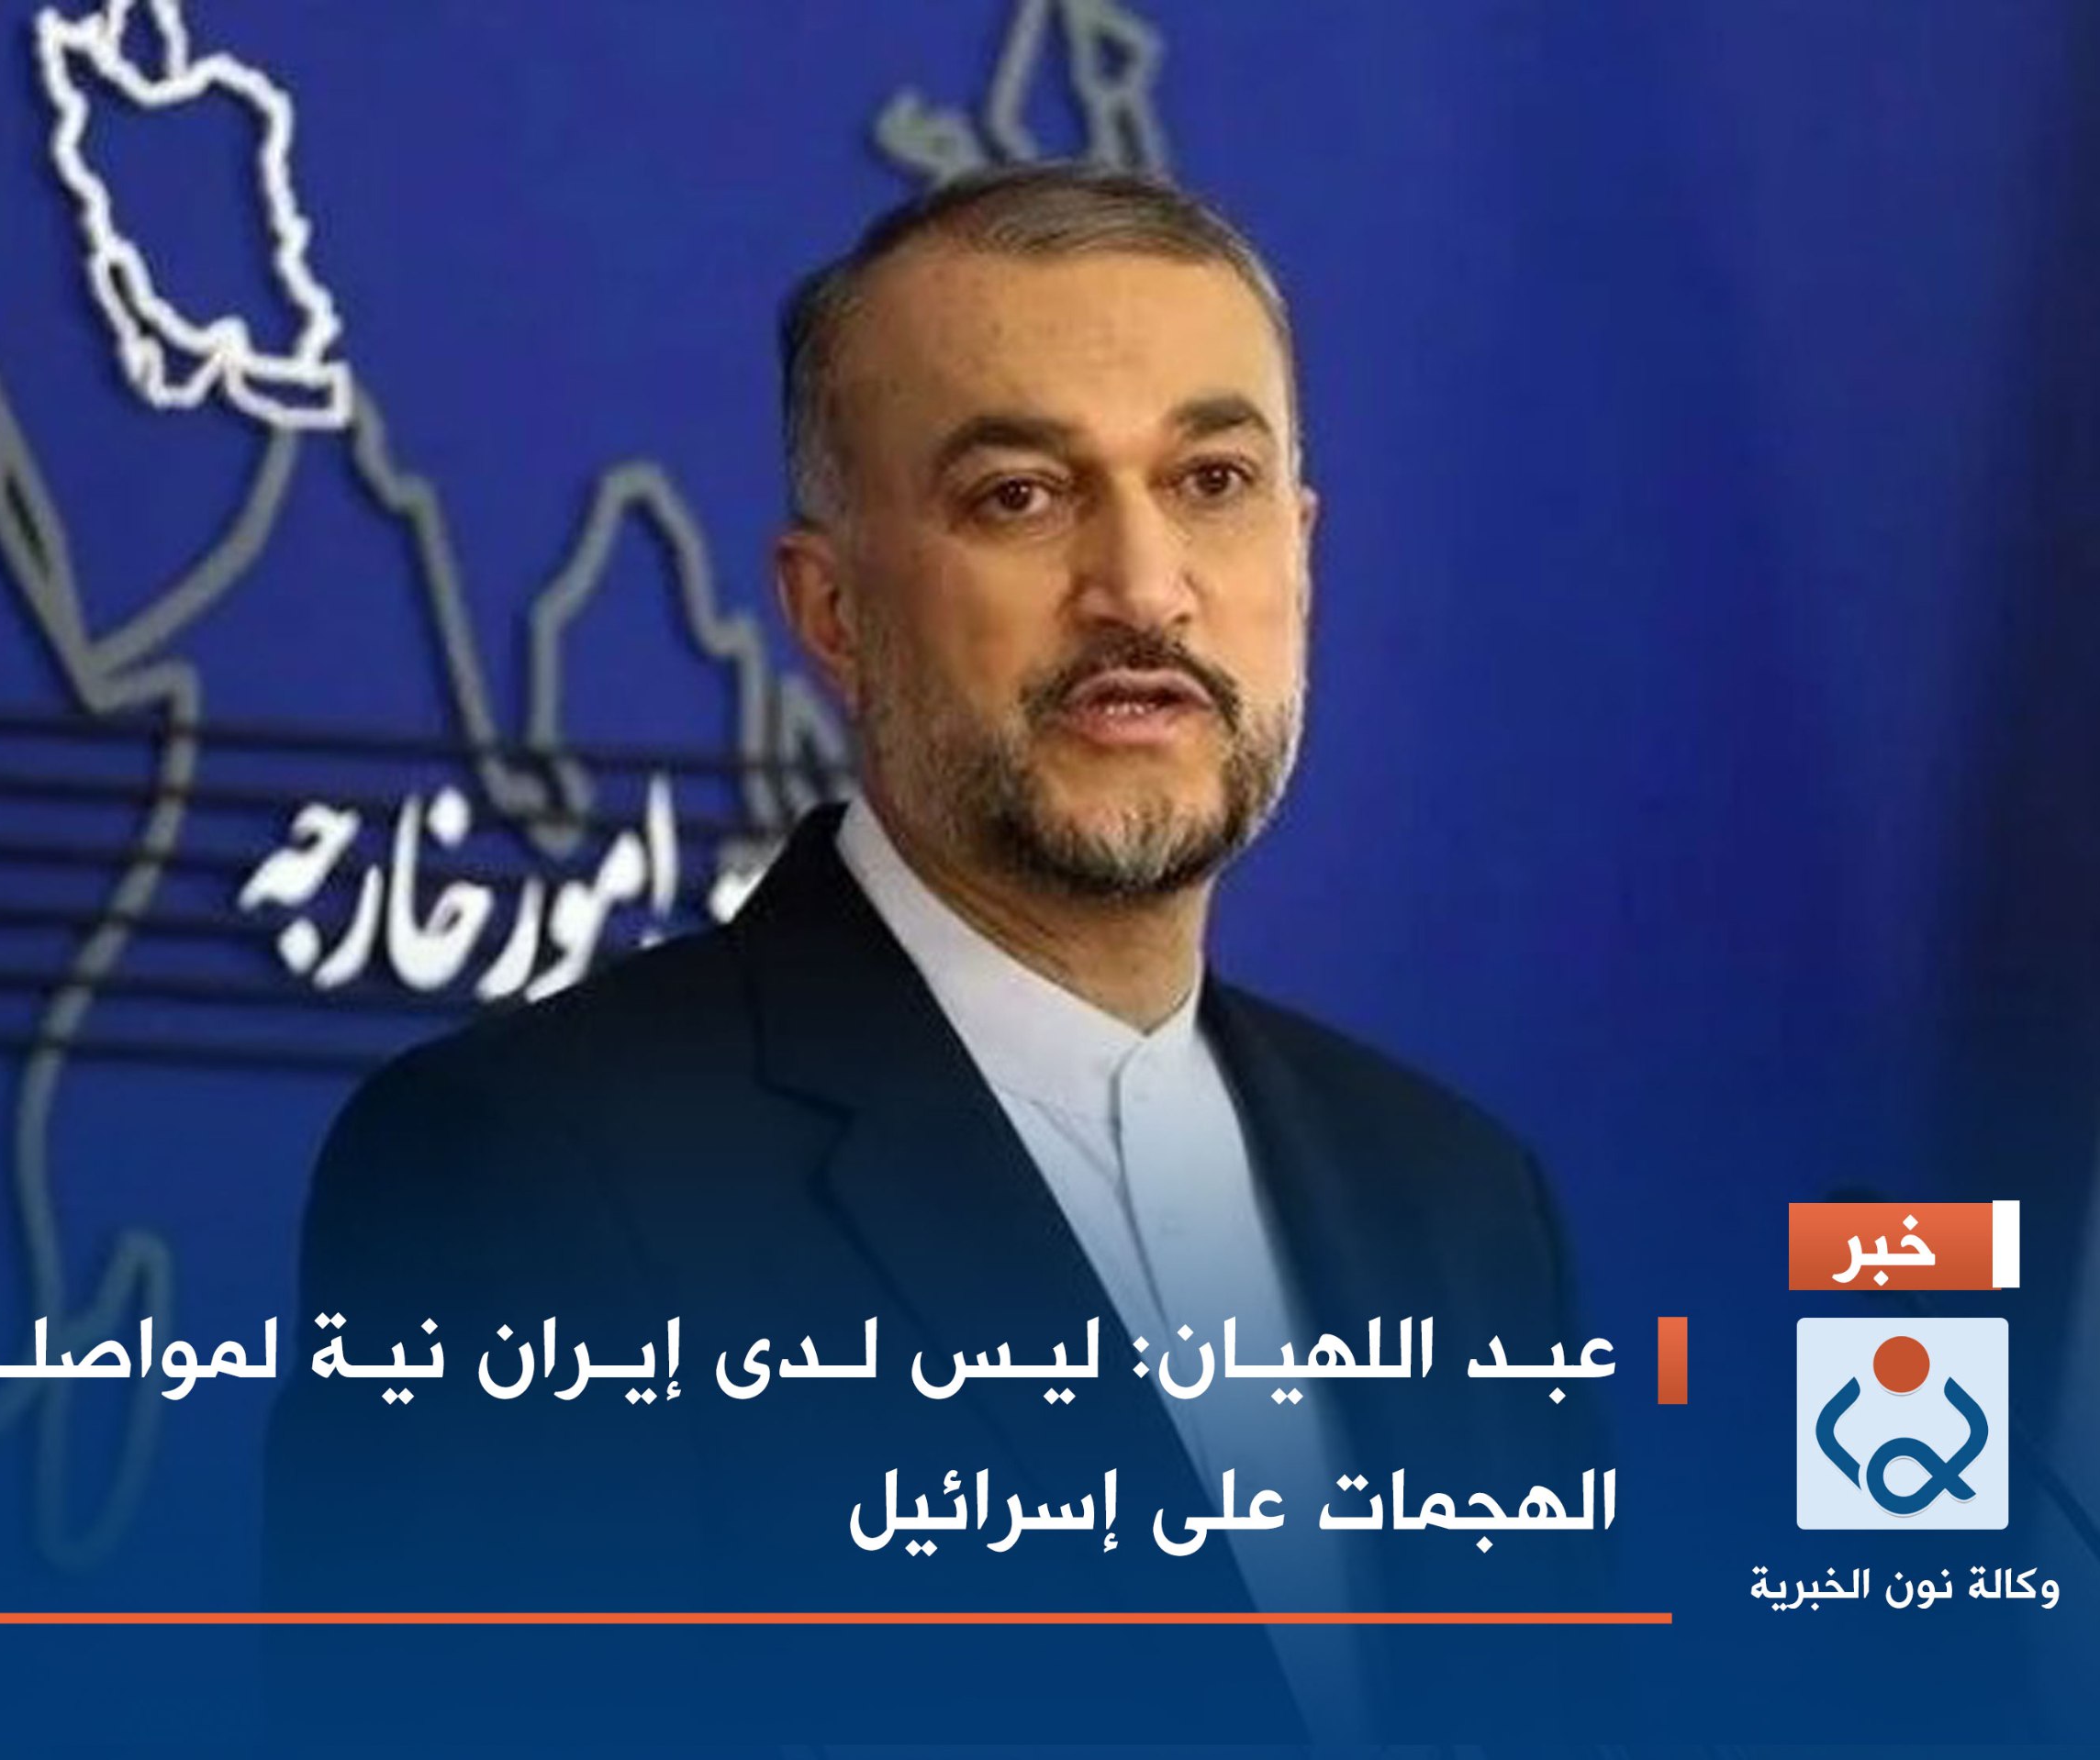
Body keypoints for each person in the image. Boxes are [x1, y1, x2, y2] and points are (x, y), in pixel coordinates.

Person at [263, 162, 1613, 1751]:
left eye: (1214, 481)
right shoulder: (528, 1172)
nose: (1144, 590)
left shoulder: (1459, 1210)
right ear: (832, 611)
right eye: (1020, 496)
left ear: (1299, 555)